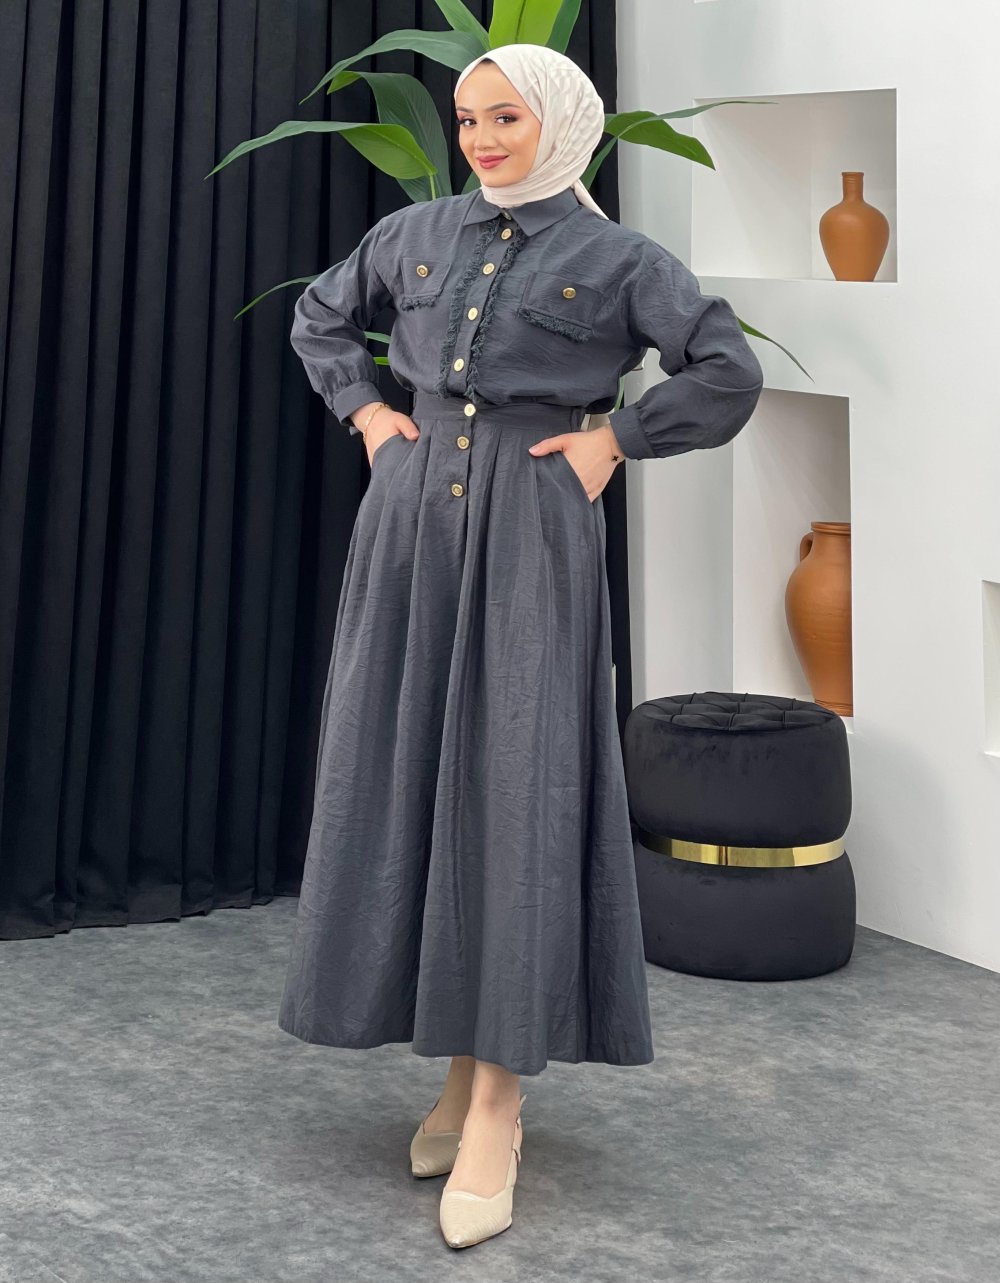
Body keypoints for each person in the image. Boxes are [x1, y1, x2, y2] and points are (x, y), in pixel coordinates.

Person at [277, 43, 764, 1250]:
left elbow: (726, 369)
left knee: (514, 785)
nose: (482, 140)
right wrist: (370, 413)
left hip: (532, 523)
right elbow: (320, 315)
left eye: (506, 117)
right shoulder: (415, 231)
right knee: (405, 775)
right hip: (409, 521)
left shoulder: (619, 259)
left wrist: (615, 441)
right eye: (467, 118)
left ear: (561, 122)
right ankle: (456, 1073)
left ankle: (496, 1103)